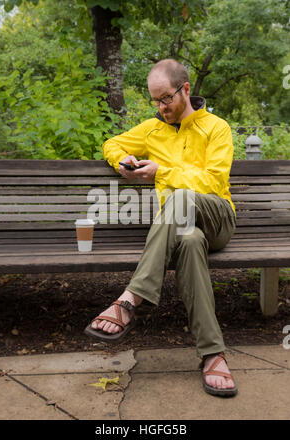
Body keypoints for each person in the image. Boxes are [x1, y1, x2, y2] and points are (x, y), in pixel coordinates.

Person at [84, 59, 238, 397]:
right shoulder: (152, 129)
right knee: (189, 240)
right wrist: (122, 162)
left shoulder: (216, 127)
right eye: (155, 100)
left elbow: (212, 183)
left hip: (217, 217)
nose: (160, 107)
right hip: (182, 228)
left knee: (183, 199)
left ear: (185, 90)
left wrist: (161, 174)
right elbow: (112, 143)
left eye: (166, 98)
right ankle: (213, 353)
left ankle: (131, 298)